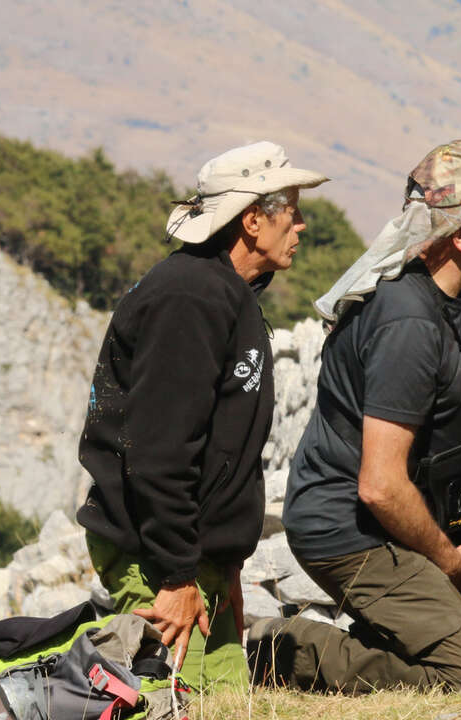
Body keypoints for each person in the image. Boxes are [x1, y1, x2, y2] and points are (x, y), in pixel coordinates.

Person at [257, 140, 461, 692]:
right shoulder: (409, 324)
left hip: (385, 522)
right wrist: (449, 563)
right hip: (346, 529)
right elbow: (379, 486)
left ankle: (395, 631)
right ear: (459, 230)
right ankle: (282, 652)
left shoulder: (453, 311)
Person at [77, 141, 328, 690]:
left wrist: (225, 561)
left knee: (226, 701)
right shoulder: (188, 299)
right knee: (174, 701)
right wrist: (178, 574)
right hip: (157, 557)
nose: (303, 225)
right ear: (252, 221)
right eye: (292, 209)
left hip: (195, 557)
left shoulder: (228, 294)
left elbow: (224, 445)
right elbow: (160, 450)